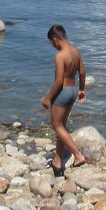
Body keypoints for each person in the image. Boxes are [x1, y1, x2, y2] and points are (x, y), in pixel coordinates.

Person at [41, 24, 87, 175]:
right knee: (62, 126)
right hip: (73, 90)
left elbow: (59, 81)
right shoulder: (76, 52)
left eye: (51, 43)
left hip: (63, 92)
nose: (53, 46)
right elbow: (82, 72)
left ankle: (78, 155)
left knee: (56, 125)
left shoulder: (60, 56)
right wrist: (81, 89)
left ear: (55, 40)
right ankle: (57, 160)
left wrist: (48, 98)